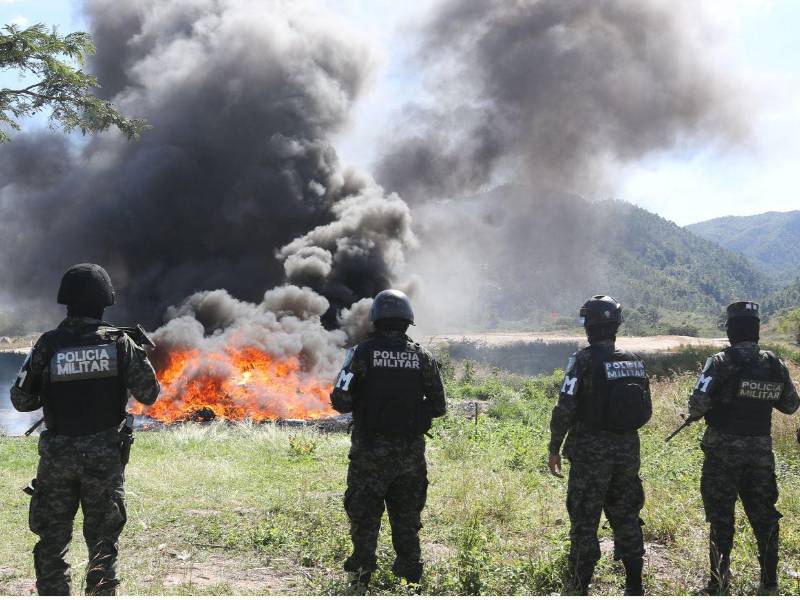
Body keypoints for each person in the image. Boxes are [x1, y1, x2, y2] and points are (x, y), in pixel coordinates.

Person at [10, 263, 160, 596]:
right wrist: (138, 355)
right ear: (105, 301)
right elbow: (149, 393)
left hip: (57, 460)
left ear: (66, 302)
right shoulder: (120, 344)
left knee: (52, 542)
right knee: (103, 544)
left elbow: (21, 400)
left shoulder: (47, 345)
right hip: (103, 459)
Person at [330, 289, 446, 592]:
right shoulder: (423, 357)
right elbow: (439, 406)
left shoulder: (361, 353)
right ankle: (410, 578)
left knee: (365, 516)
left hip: (370, 453)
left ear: (376, 320)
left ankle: (361, 575)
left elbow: (340, 399)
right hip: (410, 456)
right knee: (407, 519)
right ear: (407, 321)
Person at [686, 301, 799, 595]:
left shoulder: (720, 362)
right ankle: (770, 583)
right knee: (765, 517)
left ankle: (718, 583)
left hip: (722, 454)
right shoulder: (775, 364)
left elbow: (697, 405)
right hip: (760, 454)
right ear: (757, 329)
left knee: (721, 518)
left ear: (732, 330)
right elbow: (790, 405)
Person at [548, 295, 652, 595]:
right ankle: (634, 585)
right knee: (627, 515)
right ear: (616, 325)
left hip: (590, 454)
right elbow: (646, 410)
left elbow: (565, 407)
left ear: (588, 326)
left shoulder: (582, 360)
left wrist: (554, 447)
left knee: (584, 518)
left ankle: (580, 587)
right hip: (628, 452)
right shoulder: (634, 362)